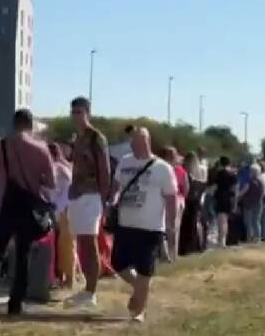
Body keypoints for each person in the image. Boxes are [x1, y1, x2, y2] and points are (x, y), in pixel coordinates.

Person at [0, 109, 54, 315]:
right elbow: (51, 183)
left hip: (5, 205)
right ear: (30, 125)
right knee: (23, 254)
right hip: (28, 208)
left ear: (14, 124)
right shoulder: (41, 148)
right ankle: (15, 302)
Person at [109, 127, 178, 322]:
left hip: (150, 227)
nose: (134, 146)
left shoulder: (162, 168)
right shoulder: (124, 162)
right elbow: (116, 186)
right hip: (125, 224)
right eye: (133, 142)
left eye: (138, 142)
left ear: (147, 142)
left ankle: (138, 311)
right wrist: (112, 200)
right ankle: (139, 288)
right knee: (118, 263)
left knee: (144, 270)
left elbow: (171, 197)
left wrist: (171, 224)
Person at [64, 97, 111, 309]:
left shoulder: (96, 138)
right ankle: (86, 289)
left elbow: (105, 170)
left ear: (88, 113)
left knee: (90, 241)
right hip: (77, 194)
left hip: (92, 195)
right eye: (73, 112)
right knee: (81, 242)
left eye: (80, 112)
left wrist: (104, 197)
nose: (76, 116)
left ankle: (92, 290)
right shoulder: (79, 138)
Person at [48, 142, 76, 289]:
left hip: (64, 211)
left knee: (66, 246)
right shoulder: (64, 166)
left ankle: (69, 279)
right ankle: (65, 276)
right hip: (65, 209)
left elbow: (58, 191)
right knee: (64, 245)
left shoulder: (58, 168)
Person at [159, 146, 188, 260]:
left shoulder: (162, 168)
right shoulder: (181, 170)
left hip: (166, 199)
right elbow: (186, 188)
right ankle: (173, 254)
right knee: (175, 228)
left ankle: (165, 253)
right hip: (179, 199)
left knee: (164, 227)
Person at [179, 152, 205, 256]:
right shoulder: (197, 174)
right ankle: (195, 247)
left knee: (189, 225)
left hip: (190, 202)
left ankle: (188, 248)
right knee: (194, 224)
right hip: (194, 202)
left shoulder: (184, 173)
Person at [209, 156, 237, 247]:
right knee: (225, 221)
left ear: (221, 163)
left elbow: (214, 187)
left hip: (220, 198)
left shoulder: (219, 174)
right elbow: (234, 189)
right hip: (229, 199)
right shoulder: (233, 175)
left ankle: (221, 241)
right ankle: (223, 240)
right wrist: (234, 202)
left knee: (221, 221)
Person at [239, 163, 264, 242]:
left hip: (248, 204)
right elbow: (262, 193)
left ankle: (249, 238)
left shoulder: (249, 182)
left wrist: (237, 197)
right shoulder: (260, 182)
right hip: (259, 203)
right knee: (256, 222)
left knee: (248, 222)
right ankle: (258, 238)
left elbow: (243, 192)